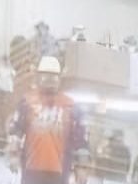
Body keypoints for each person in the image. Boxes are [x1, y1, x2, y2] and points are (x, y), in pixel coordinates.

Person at [10, 56, 86, 184]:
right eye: (46, 77)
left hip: (60, 172)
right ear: (39, 77)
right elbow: (16, 130)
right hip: (31, 170)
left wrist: (82, 167)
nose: (50, 81)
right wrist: (13, 155)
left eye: (53, 77)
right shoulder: (27, 102)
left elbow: (80, 139)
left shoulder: (71, 105)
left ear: (59, 79)